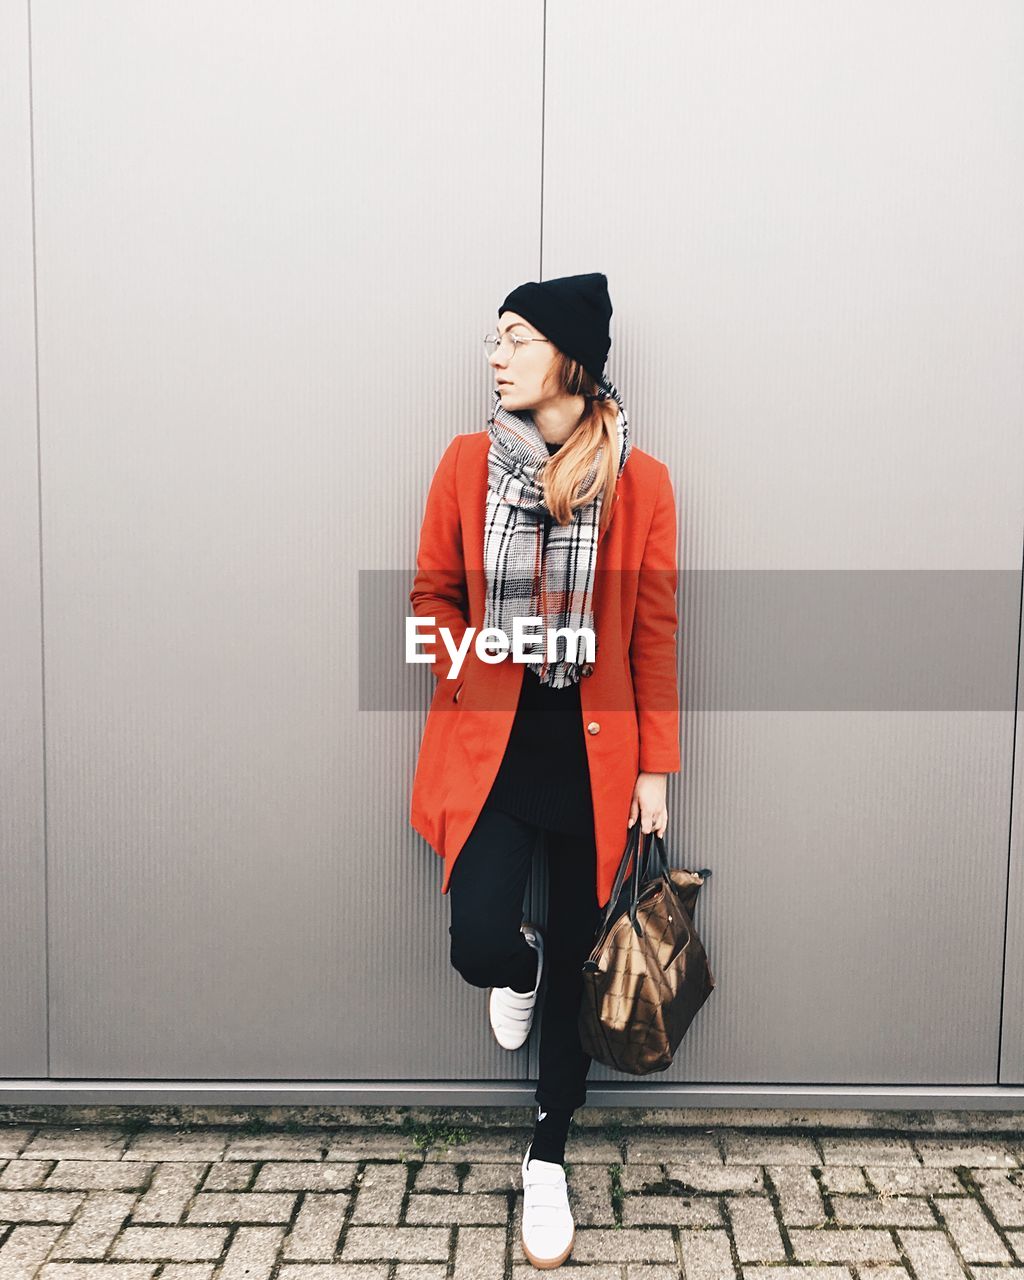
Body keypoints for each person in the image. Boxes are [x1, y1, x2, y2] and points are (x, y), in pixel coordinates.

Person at [408, 272, 681, 1269]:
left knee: (581, 964)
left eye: (513, 337)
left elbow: (653, 634)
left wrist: (656, 766)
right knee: (481, 935)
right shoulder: (463, 465)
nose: (495, 355)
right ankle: (513, 967)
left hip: (596, 764)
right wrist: (473, 654)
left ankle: (549, 1153)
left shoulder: (641, 482)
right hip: (492, 748)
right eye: (494, 339)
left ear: (566, 356)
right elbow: (431, 596)